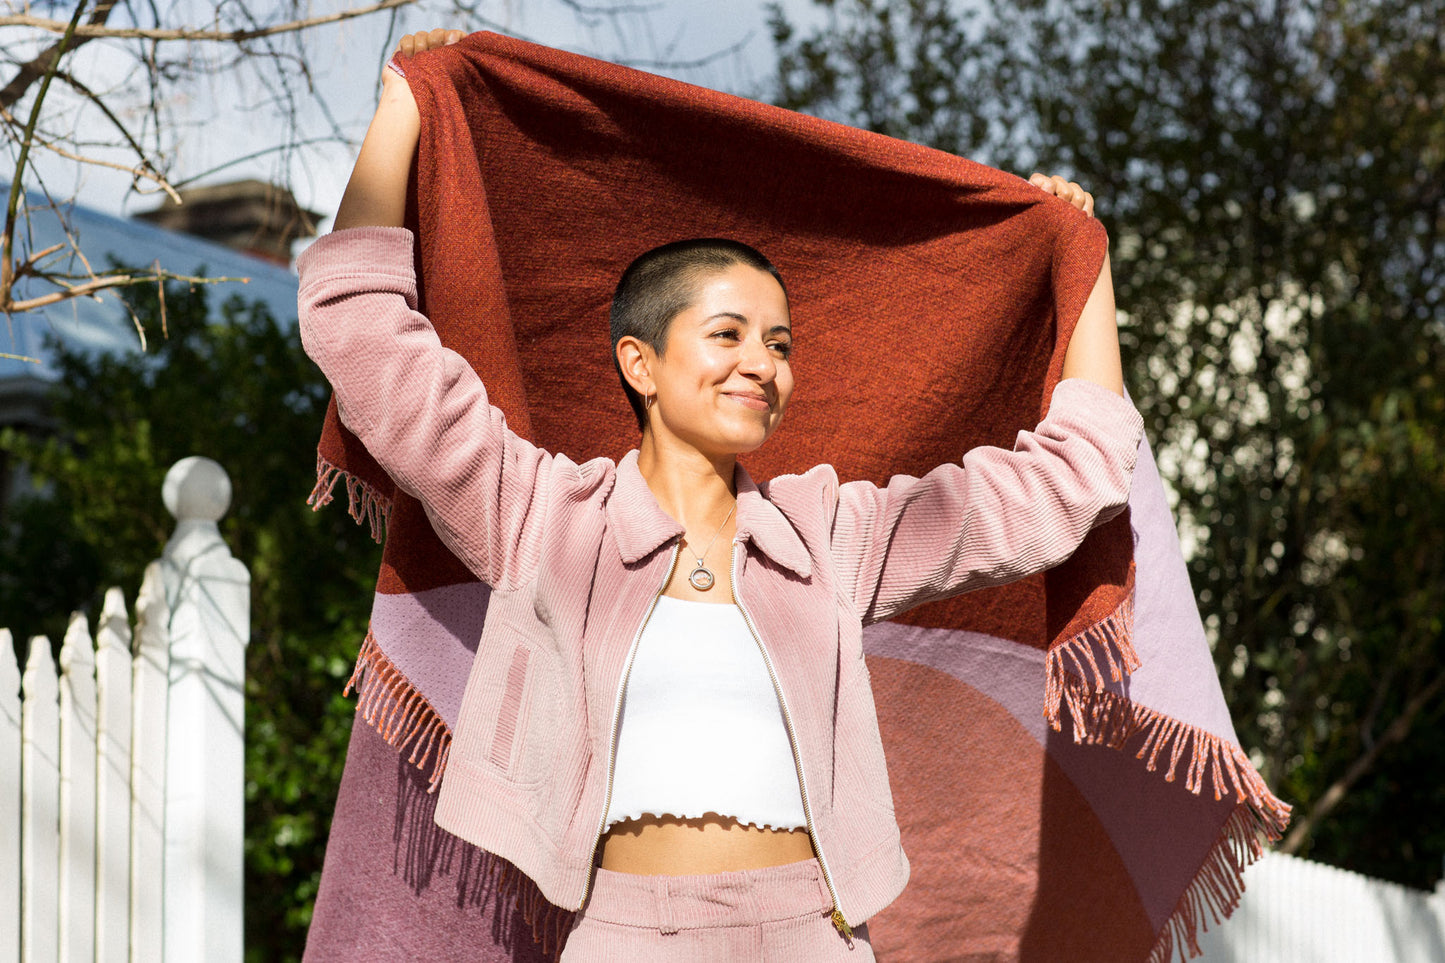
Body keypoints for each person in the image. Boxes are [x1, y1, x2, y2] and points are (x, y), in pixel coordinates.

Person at [298, 28, 1143, 962]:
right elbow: (360, 329)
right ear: (640, 362)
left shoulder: (828, 536)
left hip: (811, 934)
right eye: (729, 333)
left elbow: (1071, 477)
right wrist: (406, 102)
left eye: (779, 345)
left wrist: (1083, 259)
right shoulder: (539, 515)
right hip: (620, 935)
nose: (761, 365)